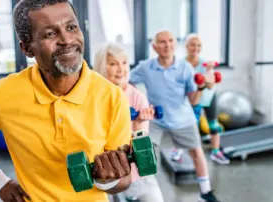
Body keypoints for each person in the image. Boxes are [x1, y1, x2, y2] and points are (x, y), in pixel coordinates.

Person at [0, 1, 134, 201]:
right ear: (27, 49)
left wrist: (107, 178)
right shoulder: (5, 93)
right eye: (50, 34)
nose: (67, 40)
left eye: (71, 27)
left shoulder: (112, 97)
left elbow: (123, 180)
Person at [129, 30, 220, 202]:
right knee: (143, 153)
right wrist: (137, 102)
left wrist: (201, 87)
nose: (167, 45)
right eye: (162, 42)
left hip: (182, 118)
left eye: (170, 40)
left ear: (175, 44)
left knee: (196, 152)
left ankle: (206, 191)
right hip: (155, 119)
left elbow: (193, 100)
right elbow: (126, 81)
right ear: (155, 47)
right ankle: (137, 191)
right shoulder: (146, 67)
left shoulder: (184, 67)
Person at [93, 42, 164, 202]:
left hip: (133, 167)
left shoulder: (137, 97)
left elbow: (141, 147)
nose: (121, 69)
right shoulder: (95, 97)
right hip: (104, 169)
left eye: (124, 63)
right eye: (113, 64)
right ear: (102, 67)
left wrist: (138, 125)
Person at [184, 33, 230, 165]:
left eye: (199, 45)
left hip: (208, 97)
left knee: (213, 125)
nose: (196, 48)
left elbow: (210, 86)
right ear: (186, 46)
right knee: (187, 127)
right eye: (193, 44)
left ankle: (216, 152)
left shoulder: (205, 63)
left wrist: (209, 74)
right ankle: (178, 150)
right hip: (192, 98)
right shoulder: (181, 64)